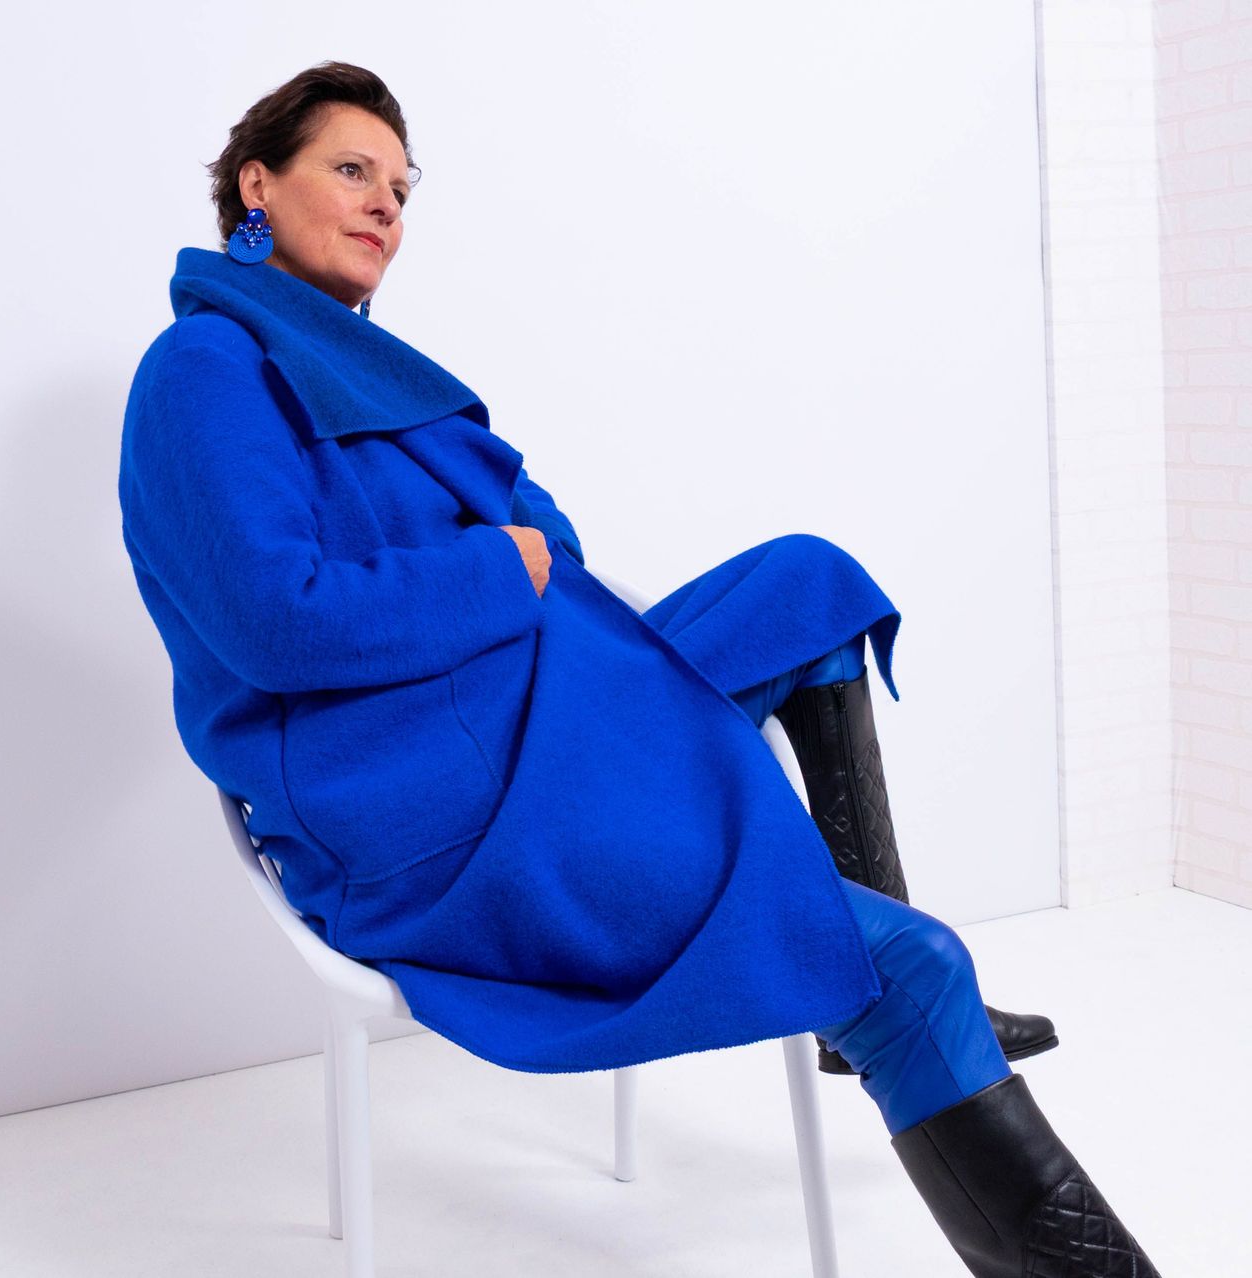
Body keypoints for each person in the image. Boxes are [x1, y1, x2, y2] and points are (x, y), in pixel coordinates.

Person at [116, 61, 1162, 1275]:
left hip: (534, 706)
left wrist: (512, 562)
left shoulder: (364, 371)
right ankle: (875, 993)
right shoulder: (204, 373)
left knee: (807, 587)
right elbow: (281, 623)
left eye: (402, 187)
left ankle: (840, 1004)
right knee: (915, 972)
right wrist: (494, 573)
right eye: (352, 170)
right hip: (433, 803)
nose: (386, 206)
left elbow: (549, 536)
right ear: (257, 184)